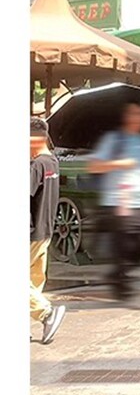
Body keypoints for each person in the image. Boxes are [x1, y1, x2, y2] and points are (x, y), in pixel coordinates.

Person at [88, 101, 140, 303]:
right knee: (122, 248)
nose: (139, 118)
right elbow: (94, 166)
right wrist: (120, 163)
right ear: (125, 117)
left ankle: (118, 275)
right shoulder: (113, 139)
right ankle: (121, 285)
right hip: (118, 202)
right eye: (134, 114)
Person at [30, 117, 66, 344]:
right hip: (45, 231)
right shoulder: (52, 162)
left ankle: (47, 313)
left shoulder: (36, 166)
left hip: (31, 231)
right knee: (32, 283)